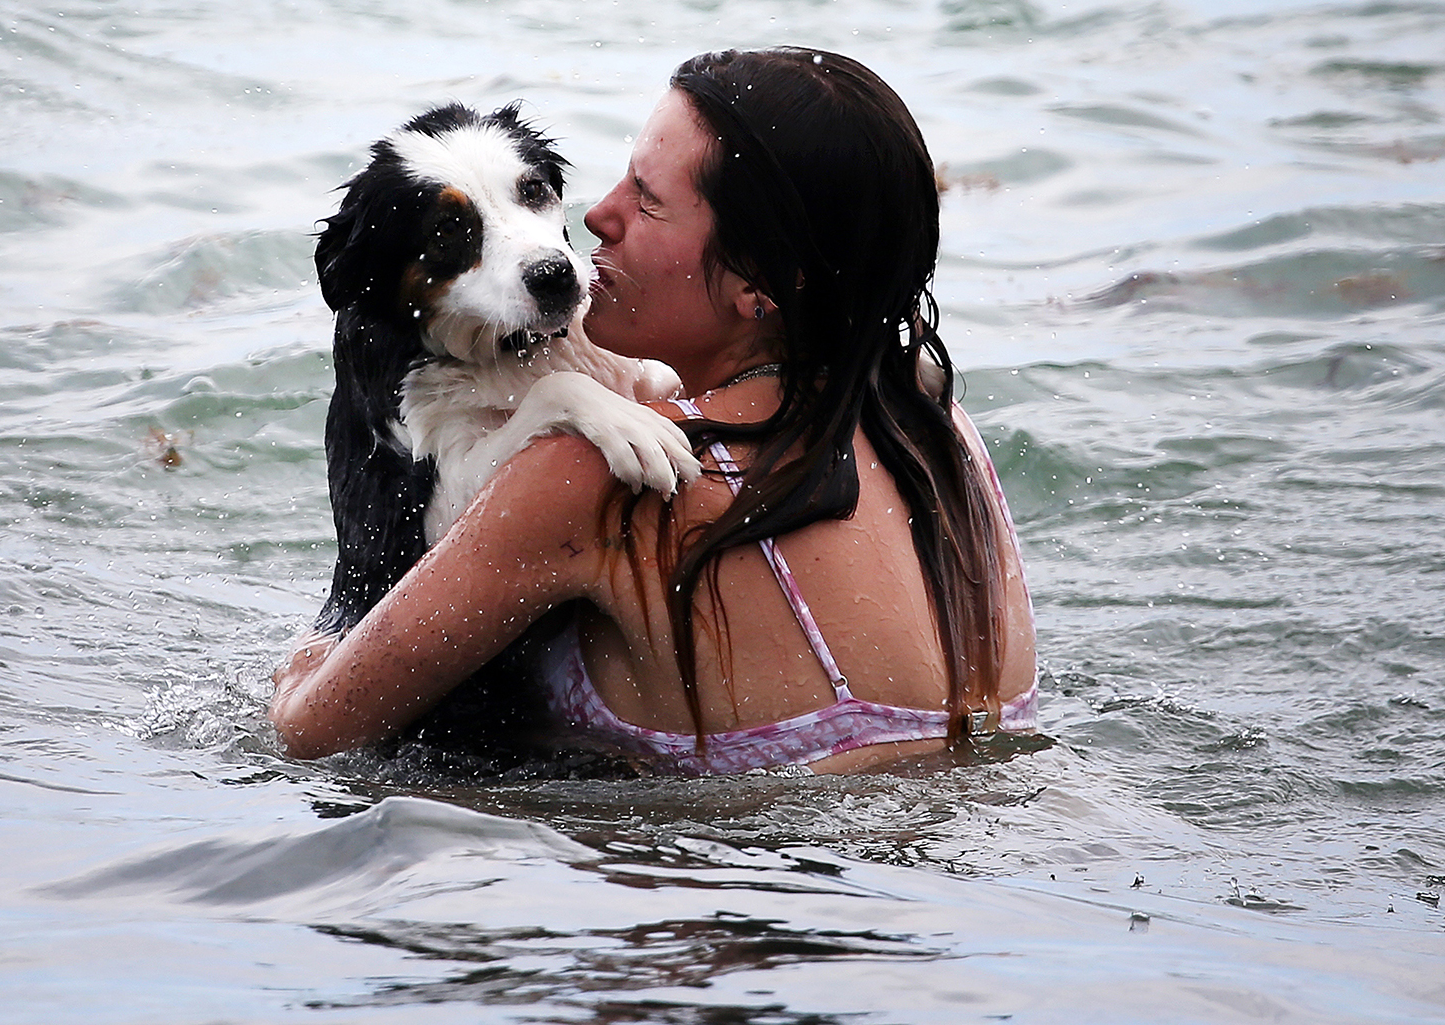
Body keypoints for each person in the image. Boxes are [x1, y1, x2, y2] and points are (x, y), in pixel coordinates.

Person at [271, 47, 1037, 774]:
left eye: (646, 198)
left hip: (714, 880)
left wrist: (309, 659)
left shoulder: (586, 472)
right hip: (978, 844)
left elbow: (311, 730)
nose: (598, 217)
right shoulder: (935, 421)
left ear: (758, 284)